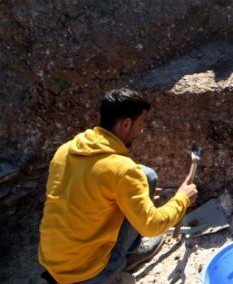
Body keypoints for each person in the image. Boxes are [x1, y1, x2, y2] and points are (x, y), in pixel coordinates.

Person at [38, 89, 198, 283]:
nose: (141, 130)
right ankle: (121, 260)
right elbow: (152, 226)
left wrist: (133, 192)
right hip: (85, 272)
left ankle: (128, 250)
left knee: (146, 176)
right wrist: (182, 199)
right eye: (140, 124)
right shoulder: (122, 170)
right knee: (141, 179)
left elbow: (83, 194)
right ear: (126, 124)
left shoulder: (65, 151)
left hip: (53, 261)